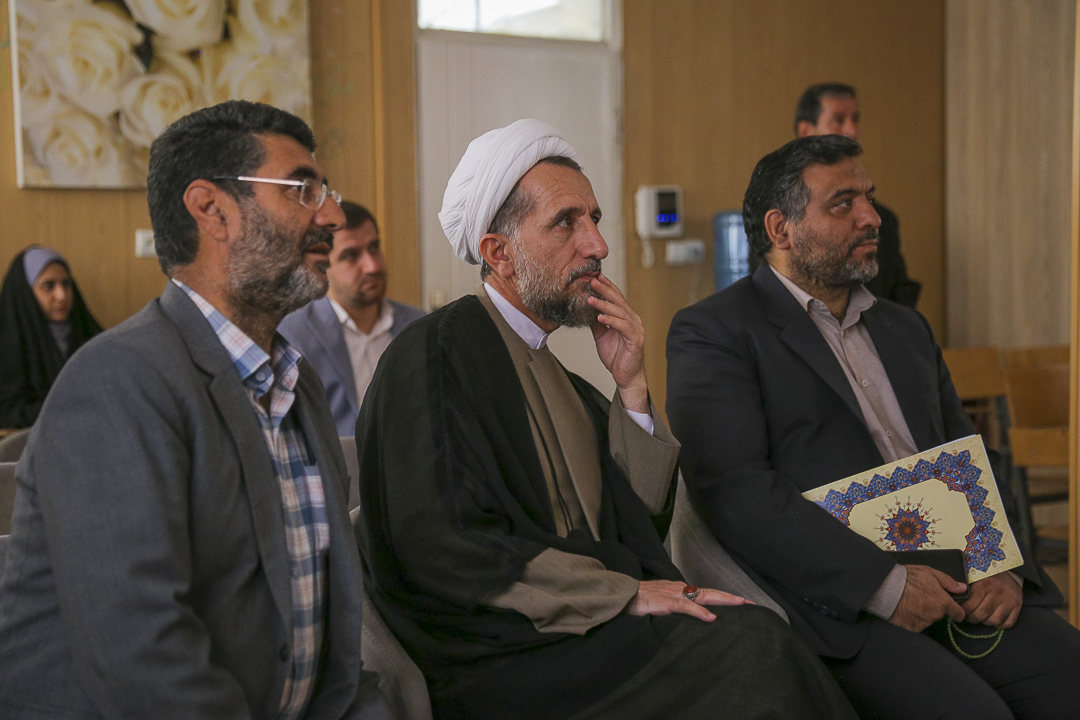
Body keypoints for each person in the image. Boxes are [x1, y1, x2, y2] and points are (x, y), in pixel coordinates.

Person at [354, 119, 857, 720]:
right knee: (754, 647)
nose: (597, 245)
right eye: (566, 222)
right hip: (502, 656)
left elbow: (638, 522)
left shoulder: (562, 379)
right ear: (499, 253)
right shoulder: (435, 353)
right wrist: (622, 594)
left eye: (593, 218)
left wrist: (631, 385)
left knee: (759, 633)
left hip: (585, 632)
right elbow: (439, 541)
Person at [666, 134, 1080, 719]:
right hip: (843, 602)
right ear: (781, 229)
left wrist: (1003, 563)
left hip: (964, 577)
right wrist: (884, 587)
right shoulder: (715, 332)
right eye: (844, 203)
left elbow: (969, 454)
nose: (871, 216)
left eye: (869, 197)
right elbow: (736, 491)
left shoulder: (906, 329)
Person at [0, 101, 390, 719]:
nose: (333, 215)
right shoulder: (116, 382)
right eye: (302, 190)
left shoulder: (298, 384)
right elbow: (143, 661)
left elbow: (330, 645)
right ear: (212, 209)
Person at [280, 201, 424, 436]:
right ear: (322, 263)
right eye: (351, 255)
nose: (372, 266)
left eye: (374, 248)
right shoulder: (294, 335)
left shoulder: (418, 325)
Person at [795, 82, 922, 307]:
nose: (852, 131)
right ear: (806, 132)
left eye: (855, 119)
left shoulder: (883, 221)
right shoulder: (783, 215)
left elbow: (899, 295)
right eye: (838, 120)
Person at [0, 246, 102, 428]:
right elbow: (8, 412)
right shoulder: (8, 345)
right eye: (48, 286)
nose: (62, 296)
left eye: (66, 284)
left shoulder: (89, 334)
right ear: (26, 292)